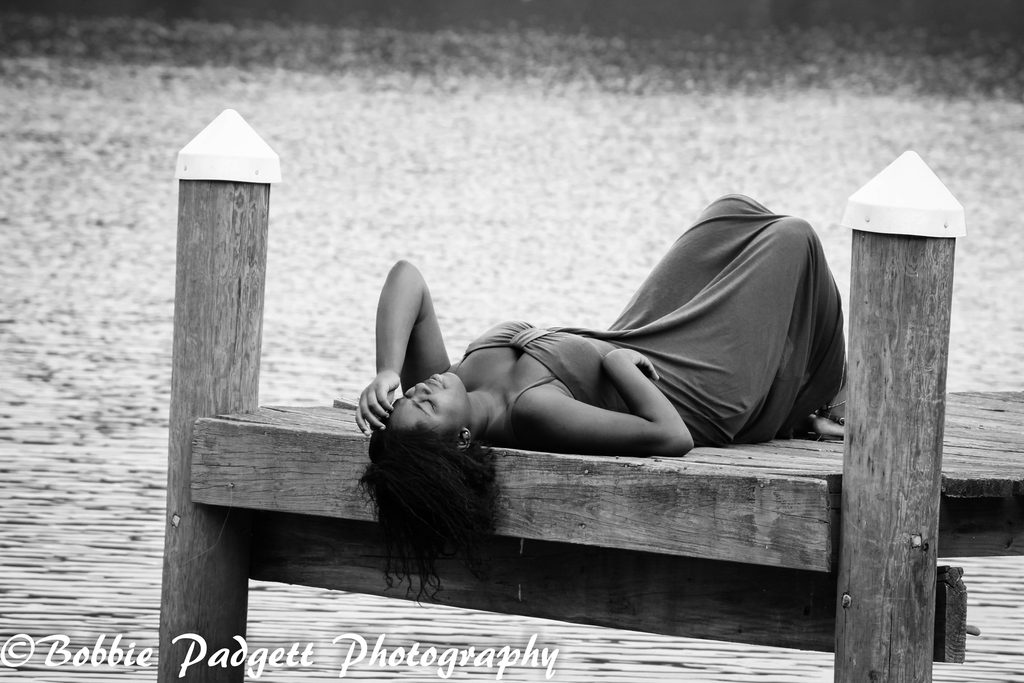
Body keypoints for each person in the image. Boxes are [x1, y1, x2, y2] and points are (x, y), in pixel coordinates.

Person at [356, 194, 847, 598]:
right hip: (688, 388)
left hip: (639, 338)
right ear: (461, 439)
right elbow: (670, 435)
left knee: (728, 213)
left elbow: (408, 278)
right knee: (792, 238)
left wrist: (386, 371)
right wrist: (615, 363)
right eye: (424, 405)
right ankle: (811, 397)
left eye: (407, 397)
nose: (419, 389)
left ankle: (798, 400)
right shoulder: (532, 411)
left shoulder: (450, 380)